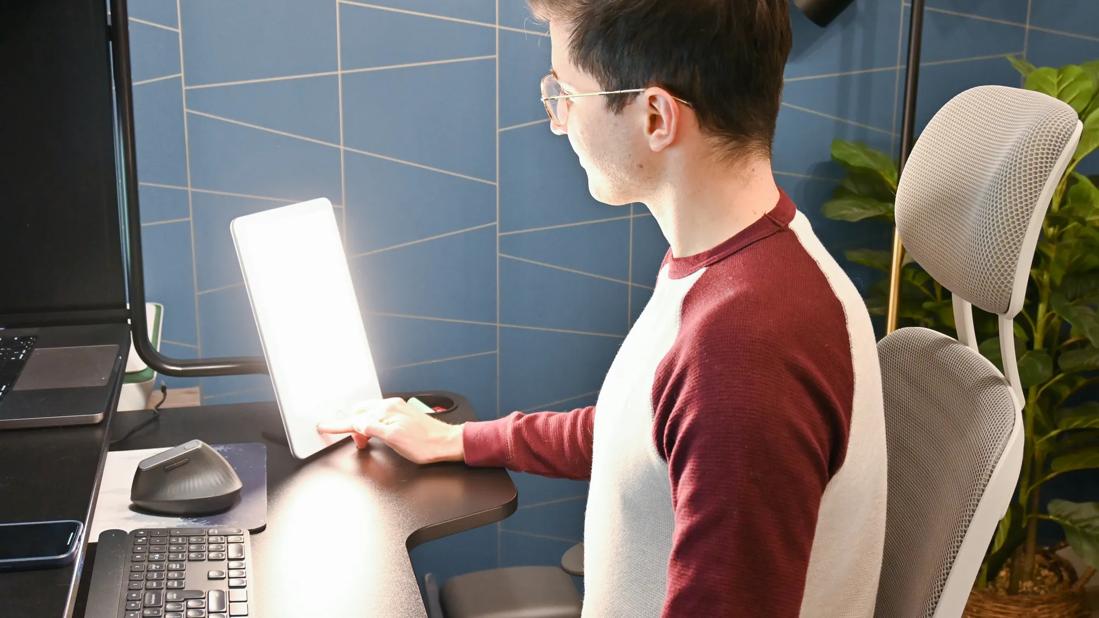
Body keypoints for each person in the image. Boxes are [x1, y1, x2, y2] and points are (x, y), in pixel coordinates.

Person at [318, 1, 887, 615]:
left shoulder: (747, 347)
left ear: (655, 116)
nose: (558, 121)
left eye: (566, 93)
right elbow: (642, 432)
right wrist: (459, 440)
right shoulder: (739, 268)